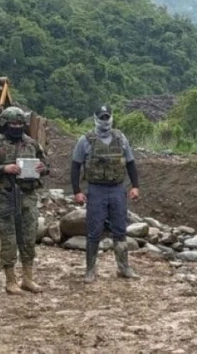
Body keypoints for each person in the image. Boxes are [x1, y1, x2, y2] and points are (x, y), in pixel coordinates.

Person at [0, 106, 48, 295]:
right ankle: (10, 281)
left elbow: (45, 164)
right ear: (5, 124)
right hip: (7, 197)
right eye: (13, 124)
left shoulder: (32, 144)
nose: (16, 127)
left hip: (28, 196)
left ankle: (28, 278)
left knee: (28, 238)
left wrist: (42, 168)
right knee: (8, 239)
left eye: (19, 124)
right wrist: (3, 169)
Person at [71, 104, 141, 283]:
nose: (104, 120)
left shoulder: (121, 138)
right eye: (101, 117)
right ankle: (90, 270)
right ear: (96, 118)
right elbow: (75, 166)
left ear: (111, 117)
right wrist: (77, 191)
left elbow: (130, 163)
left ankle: (124, 268)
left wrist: (135, 186)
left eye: (107, 117)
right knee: (94, 230)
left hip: (117, 188)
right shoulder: (85, 140)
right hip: (96, 190)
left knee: (120, 229)